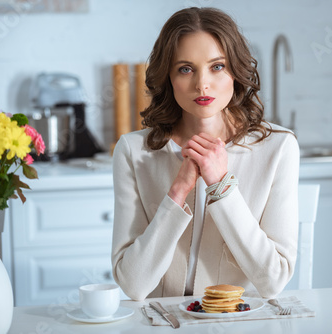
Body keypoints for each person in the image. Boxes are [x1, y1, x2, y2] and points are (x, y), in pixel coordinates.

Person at [111, 7, 300, 301]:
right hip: (161, 323)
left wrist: (221, 184)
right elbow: (133, 286)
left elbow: (273, 281)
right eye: (185, 69)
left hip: (239, 321)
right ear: (168, 77)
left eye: (217, 66)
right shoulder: (133, 151)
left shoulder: (279, 148)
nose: (202, 84)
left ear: (236, 71)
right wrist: (177, 191)